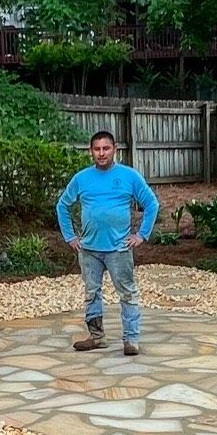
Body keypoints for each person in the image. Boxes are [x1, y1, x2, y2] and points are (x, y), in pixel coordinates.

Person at [56, 129, 159, 356]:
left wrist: (141, 235)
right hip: (89, 249)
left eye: (106, 148)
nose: (101, 153)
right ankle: (96, 337)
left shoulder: (129, 176)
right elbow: (62, 205)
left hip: (119, 249)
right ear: (91, 151)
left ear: (115, 150)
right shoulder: (81, 178)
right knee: (92, 292)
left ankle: (131, 340)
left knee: (127, 293)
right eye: (97, 149)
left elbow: (152, 204)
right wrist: (70, 237)